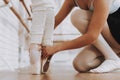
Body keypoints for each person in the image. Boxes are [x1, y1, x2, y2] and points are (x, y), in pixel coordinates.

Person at [42, 0, 120, 73]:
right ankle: (115, 56)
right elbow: (55, 22)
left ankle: (112, 58)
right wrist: (38, 40)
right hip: (110, 37)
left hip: (117, 32)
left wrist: (56, 48)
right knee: (80, 64)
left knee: (78, 16)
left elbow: (92, 36)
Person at [29, 0, 55, 74]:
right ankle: (43, 69)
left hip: (38, 8)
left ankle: (35, 70)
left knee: (35, 42)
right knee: (47, 43)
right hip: (51, 8)